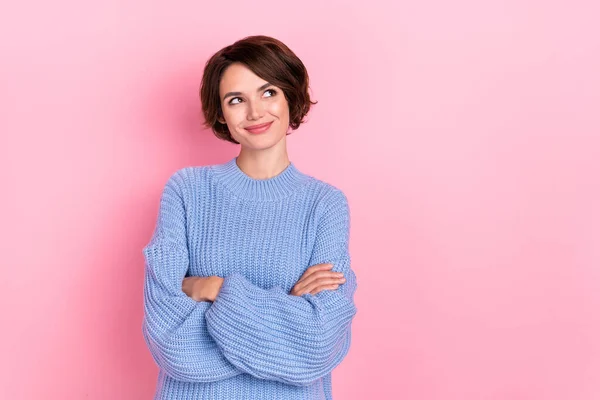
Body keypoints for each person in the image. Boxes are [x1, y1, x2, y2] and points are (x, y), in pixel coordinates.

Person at [142, 35, 358, 400]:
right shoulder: (186, 191)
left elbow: (317, 344)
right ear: (222, 113)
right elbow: (171, 342)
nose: (255, 112)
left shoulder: (325, 204)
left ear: (291, 95)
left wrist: (212, 288)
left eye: (269, 92)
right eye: (237, 100)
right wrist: (284, 315)